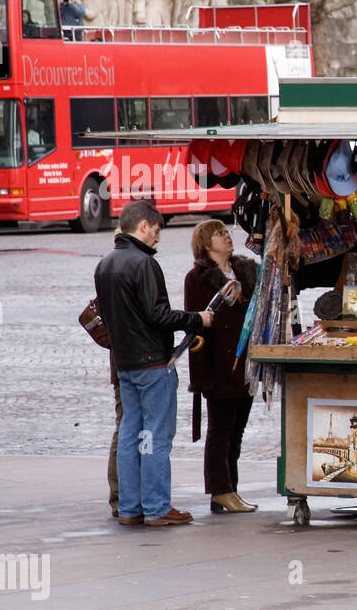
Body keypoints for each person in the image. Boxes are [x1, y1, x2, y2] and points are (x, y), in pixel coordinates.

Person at [94, 201, 212, 526]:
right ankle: (158, 507)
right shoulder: (143, 263)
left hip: (125, 364)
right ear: (143, 226)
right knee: (156, 436)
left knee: (131, 434)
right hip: (152, 364)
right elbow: (158, 315)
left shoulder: (105, 264)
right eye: (157, 231)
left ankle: (130, 508)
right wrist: (196, 319)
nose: (158, 238)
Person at [184, 220, 259, 514]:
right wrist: (201, 376)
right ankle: (219, 489)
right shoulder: (198, 278)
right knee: (220, 430)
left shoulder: (245, 271)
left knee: (236, 430)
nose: (227, 237)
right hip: (218, 365)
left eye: (227, 233)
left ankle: (231, 488)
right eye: (219, 234)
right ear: (205, 243)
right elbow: (195, 329)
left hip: (244, 362)